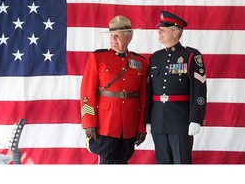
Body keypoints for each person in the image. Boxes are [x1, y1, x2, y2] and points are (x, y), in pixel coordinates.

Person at [80, 15, 148, 164]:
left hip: (129, 124)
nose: (113, 39)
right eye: (111, 36)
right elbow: (87, 93)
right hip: (106, 123)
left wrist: (141, 126)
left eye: (117, 36)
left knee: (123, 162)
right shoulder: (98, 58)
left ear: (129, 38)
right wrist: (89, 121)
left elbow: (143, 98)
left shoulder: (140, 62)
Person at [146, 11, 207, 164]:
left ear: (175, 32)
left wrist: (196, 118)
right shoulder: (155, 58)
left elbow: (199, 90)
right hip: (158, 120)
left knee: (181, 163)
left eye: (163, 29)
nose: (159, 32)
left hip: (180, 120)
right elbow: (149, 91)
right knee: (162, 164)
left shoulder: (191, 56)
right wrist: (147, 119)